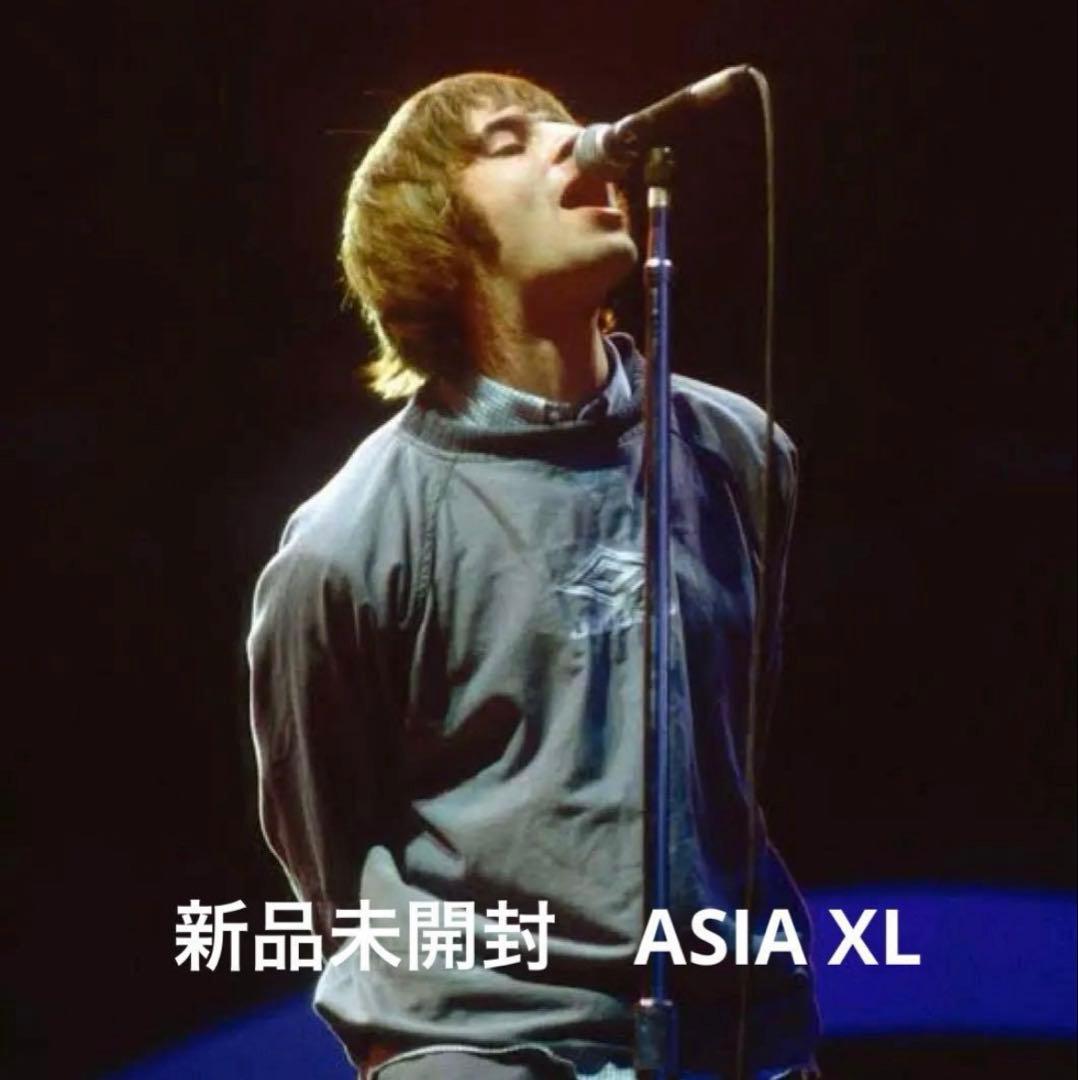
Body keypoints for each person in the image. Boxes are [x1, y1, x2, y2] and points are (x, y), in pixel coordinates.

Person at [248, 71, 819, 1080]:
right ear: (434, 231)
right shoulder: (351, 537)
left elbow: (733, 739)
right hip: (482, 1042)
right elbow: (326, 838)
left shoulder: (738, 450)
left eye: (564, 121)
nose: (577, 141)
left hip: (737, 1034)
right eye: (509, 141)